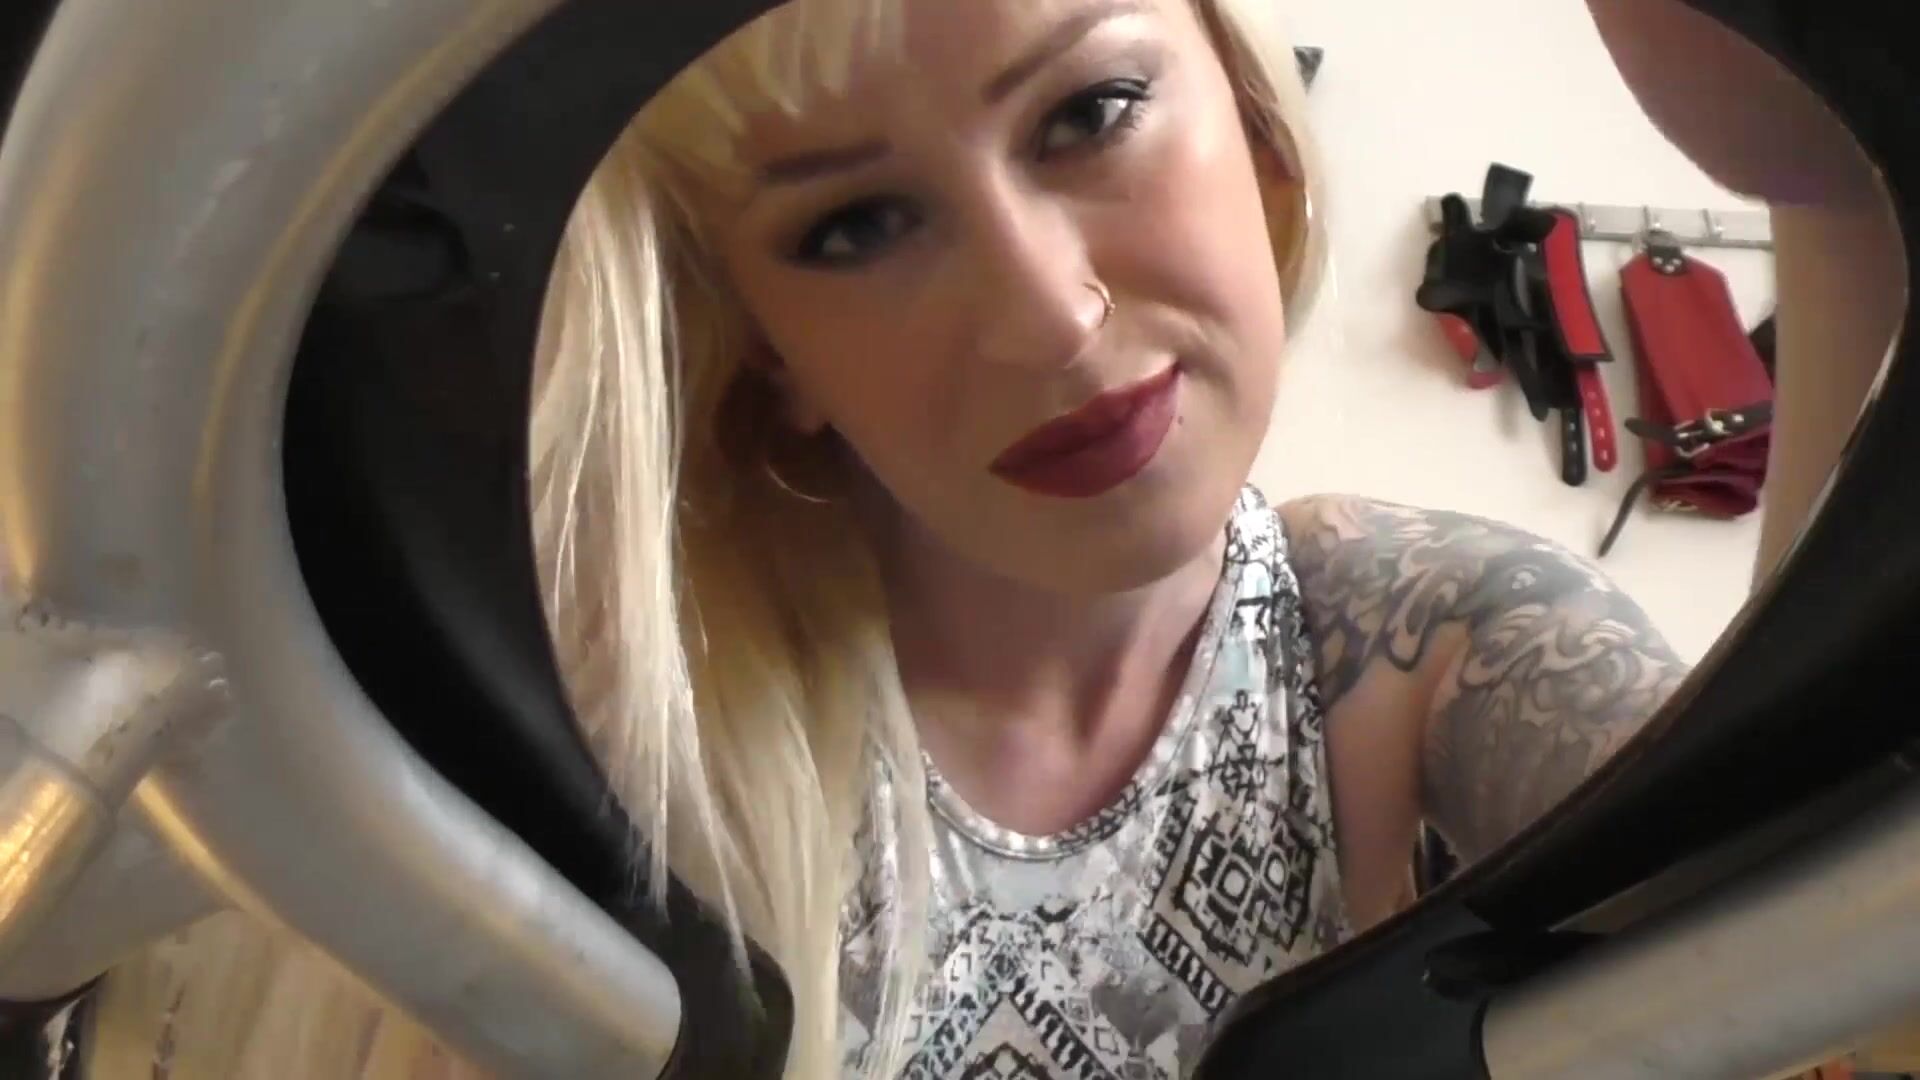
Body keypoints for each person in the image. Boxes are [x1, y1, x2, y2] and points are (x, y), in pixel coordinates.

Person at [76, 0, 1791, 1077]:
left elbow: (1830, 938)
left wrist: (1826, 190)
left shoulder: (1433, 640)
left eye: (1087, 113)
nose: (1050, 317)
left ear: (1257, 127)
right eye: (858, 224)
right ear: (772, 352)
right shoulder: (620, 756)